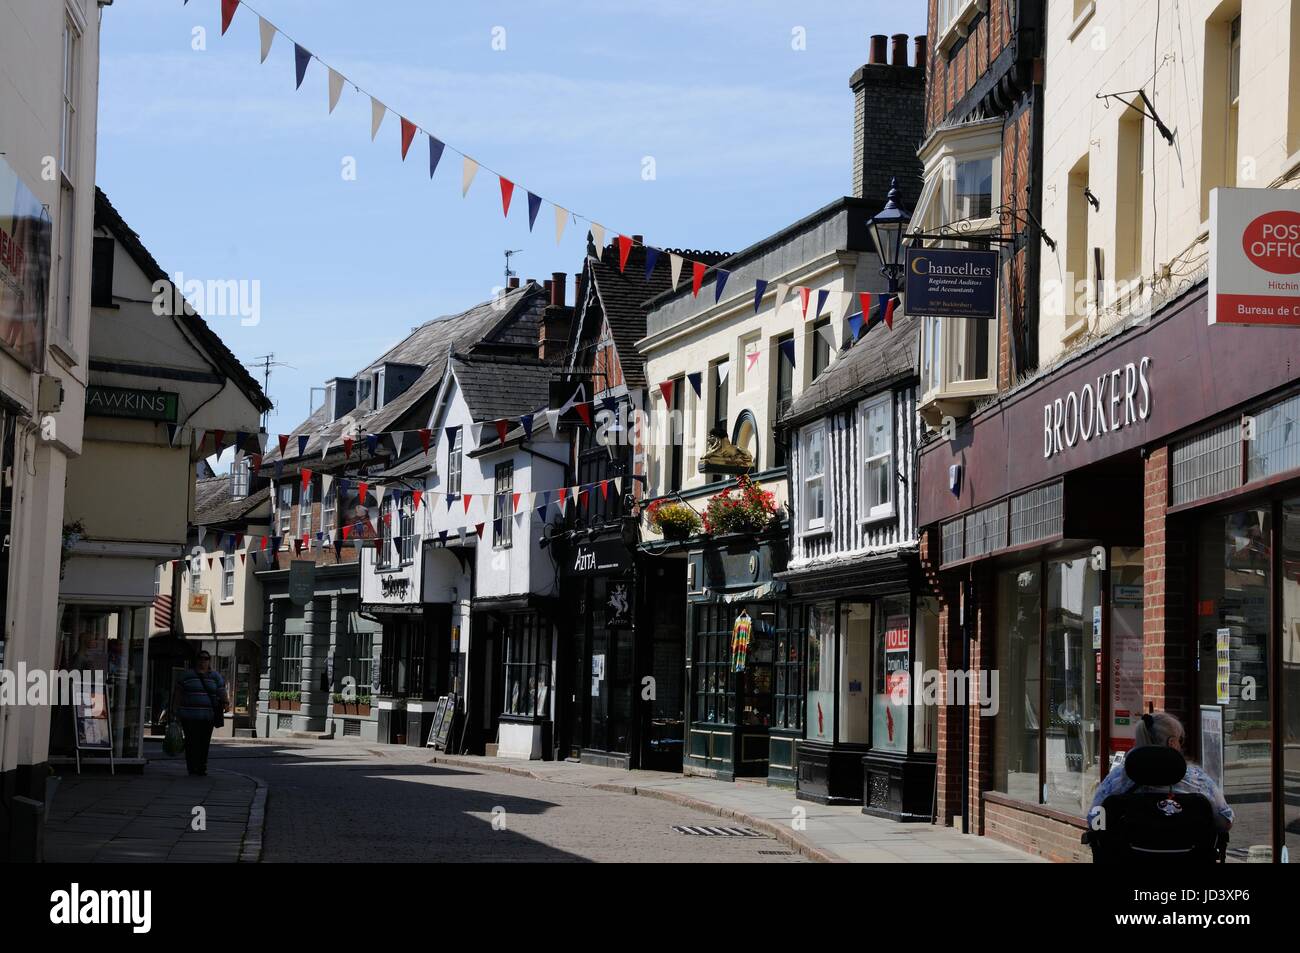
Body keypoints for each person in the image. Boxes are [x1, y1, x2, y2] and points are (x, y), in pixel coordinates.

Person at [1088, 710, 1234, 831]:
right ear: (1171, 743)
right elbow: (1226, 820)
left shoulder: (1117, 779)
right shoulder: (1198, 780)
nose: (1181, 745)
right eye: (1180, 740)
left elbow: (1093, 820)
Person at [170, 650, 229, 776]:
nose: (203, 661)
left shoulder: (215, 676)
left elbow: (221, 691)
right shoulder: (186, 676)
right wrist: (175, 710)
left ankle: (201, 766)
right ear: (196, 661)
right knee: (191, 742)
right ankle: (192, 767)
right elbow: (178, 694)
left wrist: (226, 702)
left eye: (206, 659)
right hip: (188, 716)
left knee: (204, 743)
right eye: (201, 659)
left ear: (209, 661)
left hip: (207, 717)